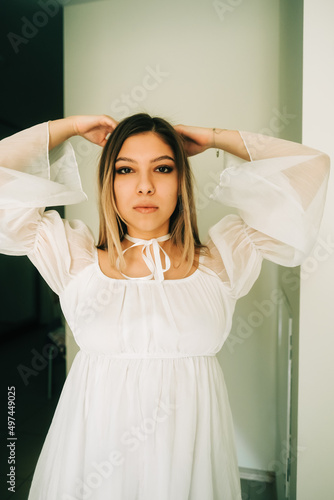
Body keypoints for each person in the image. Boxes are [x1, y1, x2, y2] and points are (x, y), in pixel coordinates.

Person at [0, 113, 330, 500]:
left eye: (163, 168)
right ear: (109, 182)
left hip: (190, 457)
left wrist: (213, 136)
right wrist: (71, 126)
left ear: (181, 181)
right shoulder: (74, 259)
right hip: (95, 459)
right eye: (125, 169)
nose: (144, 186)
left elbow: (312, 168)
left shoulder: (223, 260)